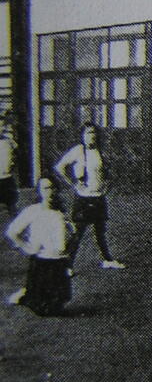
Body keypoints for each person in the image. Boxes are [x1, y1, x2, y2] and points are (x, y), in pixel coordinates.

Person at [55, 123, 125, 270]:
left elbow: (108, 173)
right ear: (82, 135)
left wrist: (106, 187)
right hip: (83, 199)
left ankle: (107, 260)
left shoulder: (100, 151)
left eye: (93, 133)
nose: (91, 136)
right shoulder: (78, 151)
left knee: (100, 232)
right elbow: (59, 167)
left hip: (98, 197)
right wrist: (73, 184)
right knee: (78, 233)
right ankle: (67, 266)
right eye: (87, 133)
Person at [5, 177, 75, 316]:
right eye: (45, 188)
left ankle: (29, 292)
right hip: (41, 262)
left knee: (58, 305)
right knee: (42, 310)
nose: (50, 192)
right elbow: (12, 232)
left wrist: (71, 234)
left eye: (52, 188)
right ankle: (27, 293)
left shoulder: (60, 213)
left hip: (59, 263)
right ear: (39, 191)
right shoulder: (33, 211)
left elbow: (65, 244)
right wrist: (27, 248)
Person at [0, 115, 19, 217]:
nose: (2, 128)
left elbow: (16, 154)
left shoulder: (9, 141)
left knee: (12, 204)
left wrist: (13, 163)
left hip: (7, 178)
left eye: (3, 126)